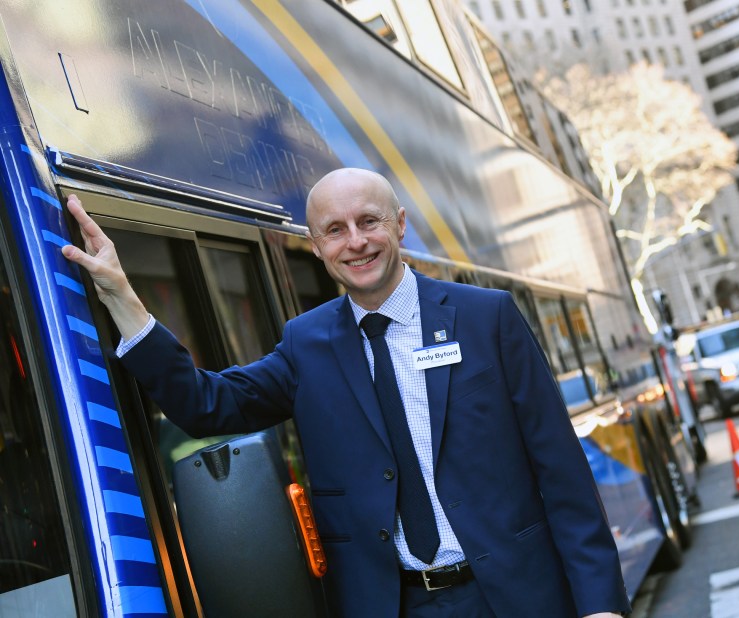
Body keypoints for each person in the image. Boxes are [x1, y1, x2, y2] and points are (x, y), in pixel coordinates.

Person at [62, 168, 630, 618]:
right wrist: (121, 298)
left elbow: (560, 467)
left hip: (516, 595)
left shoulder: (487, 319)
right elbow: (208, 404)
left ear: (400, 225)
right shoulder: (306, 345)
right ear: (315, 245)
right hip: (397, 605)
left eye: (369, 222)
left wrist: (600, 604)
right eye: (335, 230)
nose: (356, 242)